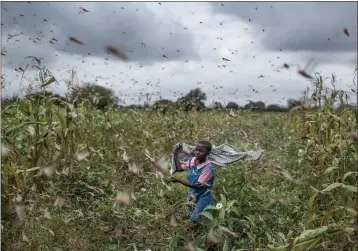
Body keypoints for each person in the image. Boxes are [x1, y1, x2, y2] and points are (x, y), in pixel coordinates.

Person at [170, 140, 215, 224]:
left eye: (201, 151)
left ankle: (198, 232)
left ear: (208, 153)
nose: (197, 152)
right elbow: (179, 168)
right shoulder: (192, 160)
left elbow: (196, 185)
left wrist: (179, 180)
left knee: (196, 219)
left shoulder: (207, 168)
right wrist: (175, 154)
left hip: (203, 196)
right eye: (196, 150)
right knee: (189, 214)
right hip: (192, 194)